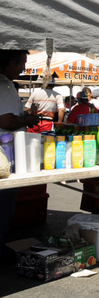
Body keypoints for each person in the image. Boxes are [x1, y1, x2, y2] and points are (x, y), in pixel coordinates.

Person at [0, 50, 40, 260]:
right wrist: (28, 120)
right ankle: (1, 247)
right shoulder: (5, 86)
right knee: (5, 199)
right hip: (4, 152)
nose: (24, 68)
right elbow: (6, 121)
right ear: (11, 63)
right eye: (22, 63)